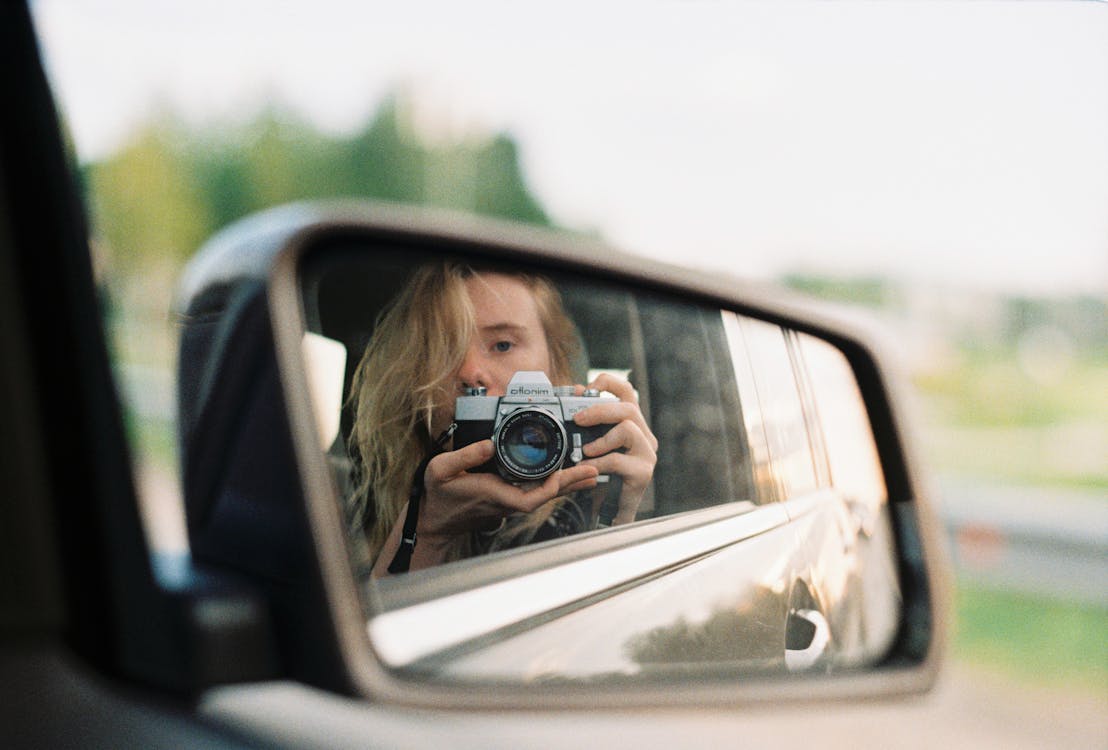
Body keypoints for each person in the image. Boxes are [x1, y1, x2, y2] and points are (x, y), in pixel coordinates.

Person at [346, 261, 657, 576]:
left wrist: (620, 512)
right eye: (443, 349)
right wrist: (427, 529)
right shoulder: (352, 508)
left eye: (503, 344)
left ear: (555, 363)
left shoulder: (589, 486)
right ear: (410, 374)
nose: (470, 373)